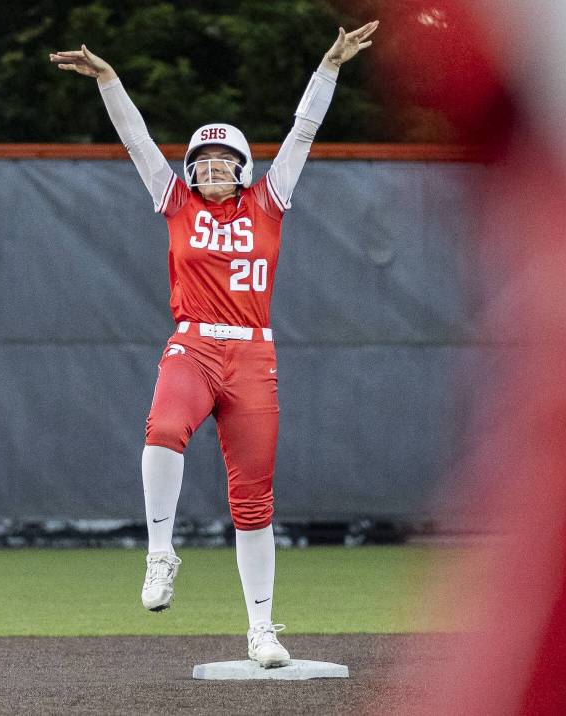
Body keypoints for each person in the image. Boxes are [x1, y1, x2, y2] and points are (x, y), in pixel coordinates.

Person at [49, 20, 379, 668]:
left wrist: (329, 68)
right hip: (194, 345)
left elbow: (303, 132)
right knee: (163, 428)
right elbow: (139, 143)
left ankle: (260, 630)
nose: (210, 170)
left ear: (243, 168)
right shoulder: (175, 202)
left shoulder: (269, 200)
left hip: (255, 353)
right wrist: (111, 81)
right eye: (201, 163)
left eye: (222, 162)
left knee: (253, 499)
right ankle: (160, 552)